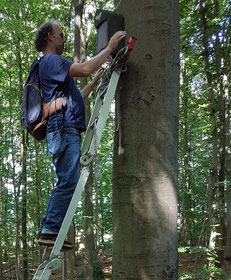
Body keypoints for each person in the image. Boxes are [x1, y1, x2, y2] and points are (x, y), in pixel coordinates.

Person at [34, 20, 126, 250]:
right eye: (61, 34)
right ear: (49, 36)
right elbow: (84, 68)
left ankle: (50, 228)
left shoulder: (54, 70)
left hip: (64, 128)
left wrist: (94, 83)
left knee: (68, 179)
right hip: (63, 129)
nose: (64, 39)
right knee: (69, 180)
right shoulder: (51, 60)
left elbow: (75, 99)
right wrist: (109, 48)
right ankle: (49, 229)